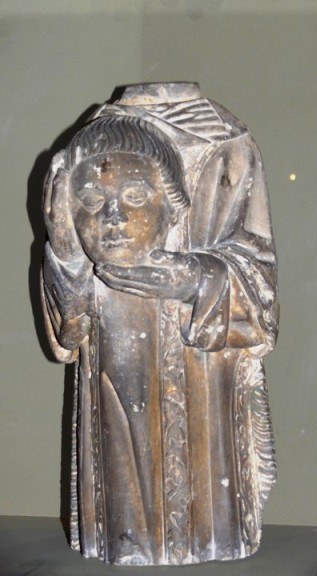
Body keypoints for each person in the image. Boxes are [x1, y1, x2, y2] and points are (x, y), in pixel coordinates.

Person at [41, 82, 279, 566]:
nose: (113, 215)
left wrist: (192, 279)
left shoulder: (226, 143)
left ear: (172, 205)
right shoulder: (85, 148)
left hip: (204, 384)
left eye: (134, 195)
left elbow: (261, 284)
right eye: (93, 198)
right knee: (123, 488)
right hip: (113, 362)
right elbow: (69, 333)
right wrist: (64, 250)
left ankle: (207, 537)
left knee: (205, 505)